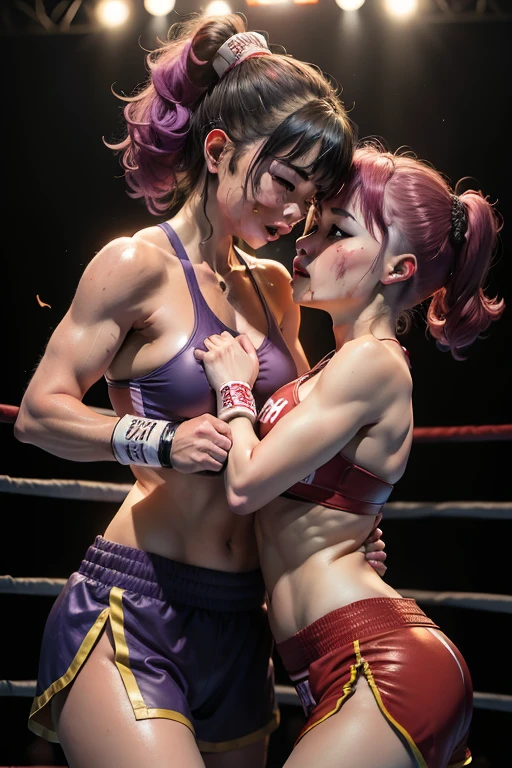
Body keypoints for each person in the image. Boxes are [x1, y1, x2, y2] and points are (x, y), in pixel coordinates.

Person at [14, 13, 385, 768]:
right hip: (137, 608)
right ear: (218, 151)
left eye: (309, 199)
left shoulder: (279, 289)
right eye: (282, 182)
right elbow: (37, 413)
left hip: (243, 624)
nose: (290, 215)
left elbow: (287, 445)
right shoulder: (135, 264)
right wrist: (159, 440)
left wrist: (340, 523)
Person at [194, 142, 504, 768]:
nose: (305, 243)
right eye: (312, 223)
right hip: (337, 663)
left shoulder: (373, 361)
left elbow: (245, 483)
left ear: (397, 269)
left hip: (380, 664)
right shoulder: (334, 367)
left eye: (337, 229)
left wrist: (232, 390)